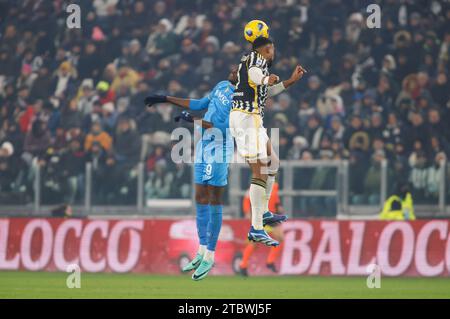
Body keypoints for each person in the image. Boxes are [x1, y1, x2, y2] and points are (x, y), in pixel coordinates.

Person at [145, 70, 272, 281]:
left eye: (238, 70)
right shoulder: (222, 84)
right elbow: (199, 103)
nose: (233, 70)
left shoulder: (242, 102)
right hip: (204, 146)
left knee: (214, 200)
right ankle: (202, 250)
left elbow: (221, 128)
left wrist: (193, 121)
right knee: (200, 199)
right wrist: (165, 99)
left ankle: (210, 256)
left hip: (220, 149)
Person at [229, 36, 306, 246]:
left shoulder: (254, 62)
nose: (274, 53)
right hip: (246, 116)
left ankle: (263, 213)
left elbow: (266, 90)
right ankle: (256, 228)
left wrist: (289, 81)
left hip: (252, 116)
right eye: (272, 49)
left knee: (273, 162)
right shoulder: (256, 59)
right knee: (260, 169)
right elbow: (257, 77)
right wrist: (265, 79)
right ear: (266, 49)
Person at [239, 182, 284, 276]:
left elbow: (275, 199)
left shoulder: (275, 186)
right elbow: (247, 199)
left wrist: (278, 206)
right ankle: (244, 265)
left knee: (279, 239)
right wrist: (247, 212)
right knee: (257, 242)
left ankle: (268, 262)